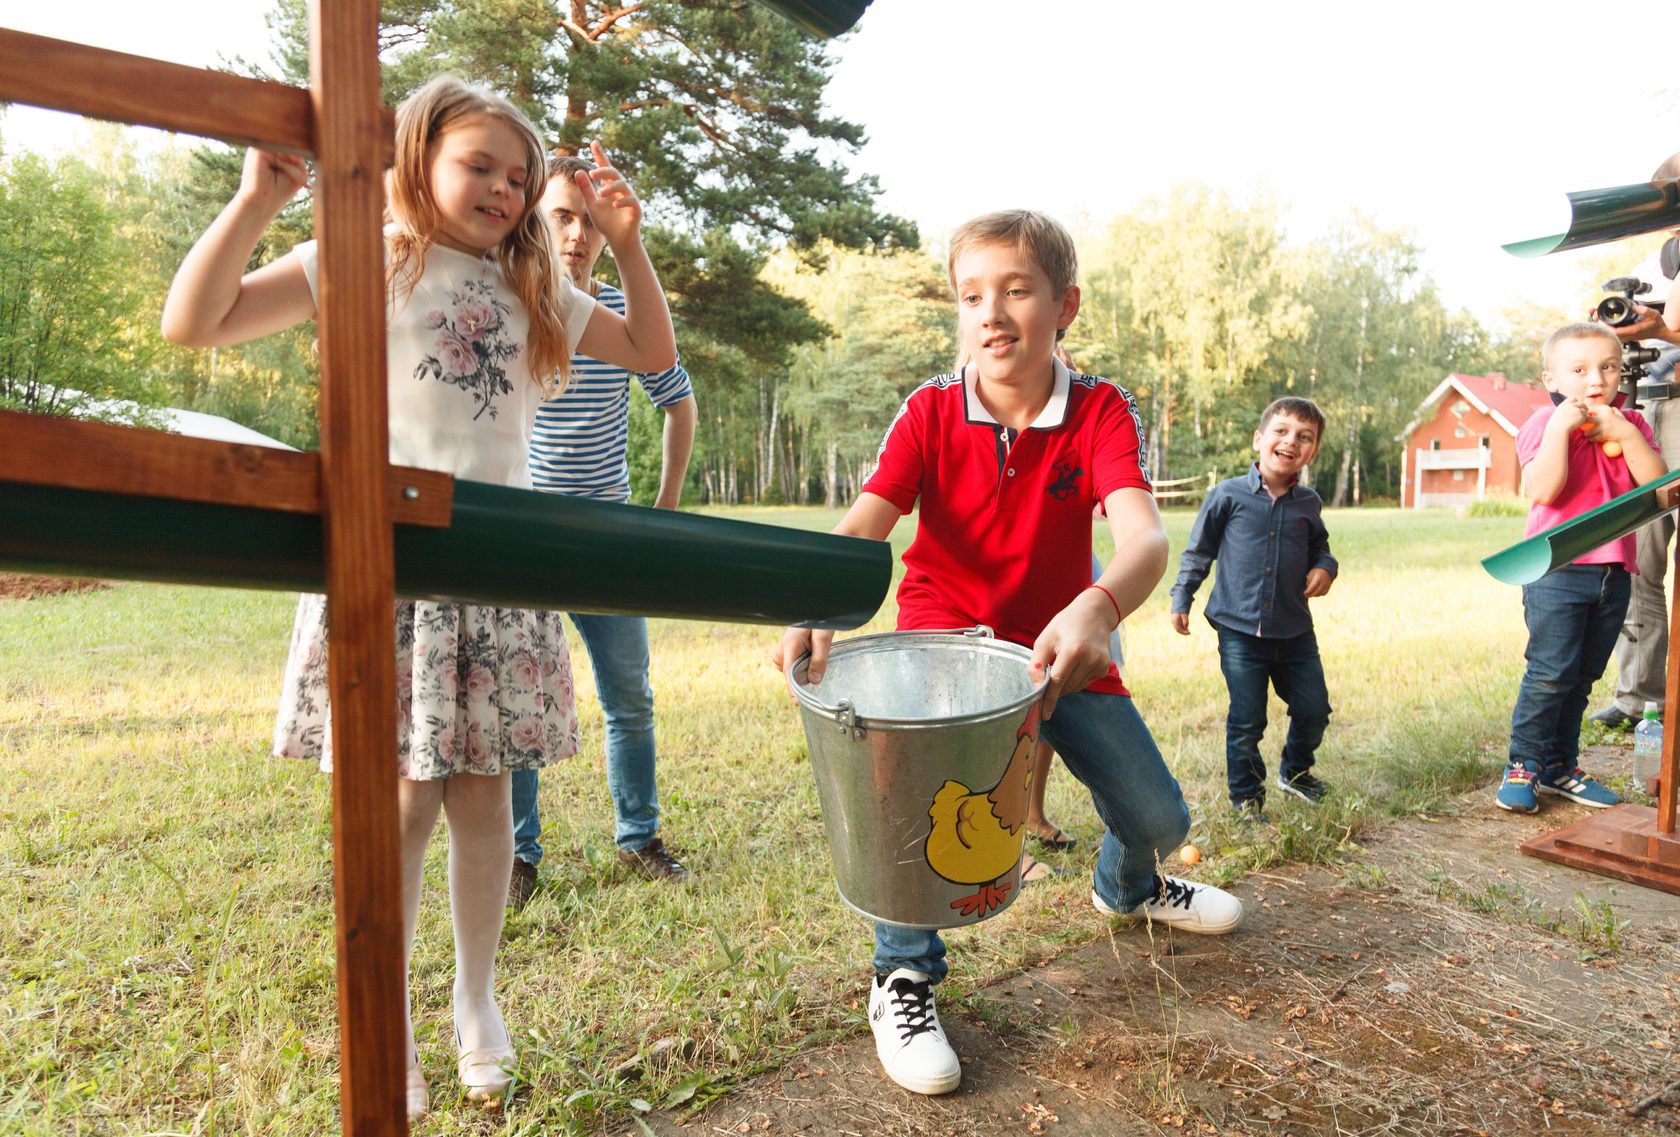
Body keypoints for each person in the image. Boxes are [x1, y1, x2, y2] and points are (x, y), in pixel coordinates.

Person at [160, 76, 676, 1117]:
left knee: (484, 796)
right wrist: (258, 198)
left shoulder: (534, 290)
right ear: (416, 158)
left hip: (495, 570)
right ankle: (388, 1012)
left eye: (518, 177)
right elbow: (194, 322)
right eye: (478, 163)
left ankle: (477, 1001)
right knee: (399, 800)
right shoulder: (370, 258)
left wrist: (626, 243)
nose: (501, 187)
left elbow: (651, 355)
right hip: (387, 568)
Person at [772, 209, 1242, 1098]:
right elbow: (865, 525)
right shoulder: (928, 410)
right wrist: (814, 593)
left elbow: (1143, 538)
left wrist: (1100, 606)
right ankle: (903, 975)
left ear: (1063, 305)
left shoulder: (1101, 408)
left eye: (1016, 290)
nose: (991, 313)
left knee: (1159, 819)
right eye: (971, 295)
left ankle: (1129, 885)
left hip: (1063, 645)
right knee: (911, 810)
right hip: (944, 648)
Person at [507, 154, 699, 907]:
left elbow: (677, 401)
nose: (577, 233)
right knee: (519, 703)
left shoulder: (622, 314)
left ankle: (640, 838)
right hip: (528, 535)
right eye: (561, 216)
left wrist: (666, 506)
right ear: (534, 221)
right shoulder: (512, 308)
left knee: (629, 697)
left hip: (610, 533)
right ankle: (520, 857)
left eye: (588, 219)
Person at [1497, 322, 1666, 814]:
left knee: (1584, 674)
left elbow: (1658, 491)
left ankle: (1560, 766)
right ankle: (1524, 765)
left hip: (1615, 572)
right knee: (1550, 672)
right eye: (1579, 369)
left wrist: (1623, 435)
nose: (1597, 378)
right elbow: (1544, 491)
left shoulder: (1632, 423)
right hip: (1557, 570)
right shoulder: (1541, 425)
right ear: (1552, 378)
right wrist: (1558, 429)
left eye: (1608, 367)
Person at [1168, 397, 1337, 824]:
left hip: (1295, 631)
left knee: (1314, 708)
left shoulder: (1308, 504)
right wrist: (1182, 597)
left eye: (1304, 437)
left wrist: (1325, 567)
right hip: (1239, 630)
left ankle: (1296, 773)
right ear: (1259, 439)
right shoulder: (1227, 496)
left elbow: (1322, 548)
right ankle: (1246, 796)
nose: (1290, 441)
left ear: (1312, 453)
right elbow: (1199, 552)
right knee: (1247, 719)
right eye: (1281, 431)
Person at [1591, 151, 1680, 730]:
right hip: (1651, 406)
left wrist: (1661, 328)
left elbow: (1661, 326)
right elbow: (1635, 325)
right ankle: (1638, 698)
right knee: (1639, 557)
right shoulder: (1655, 257)